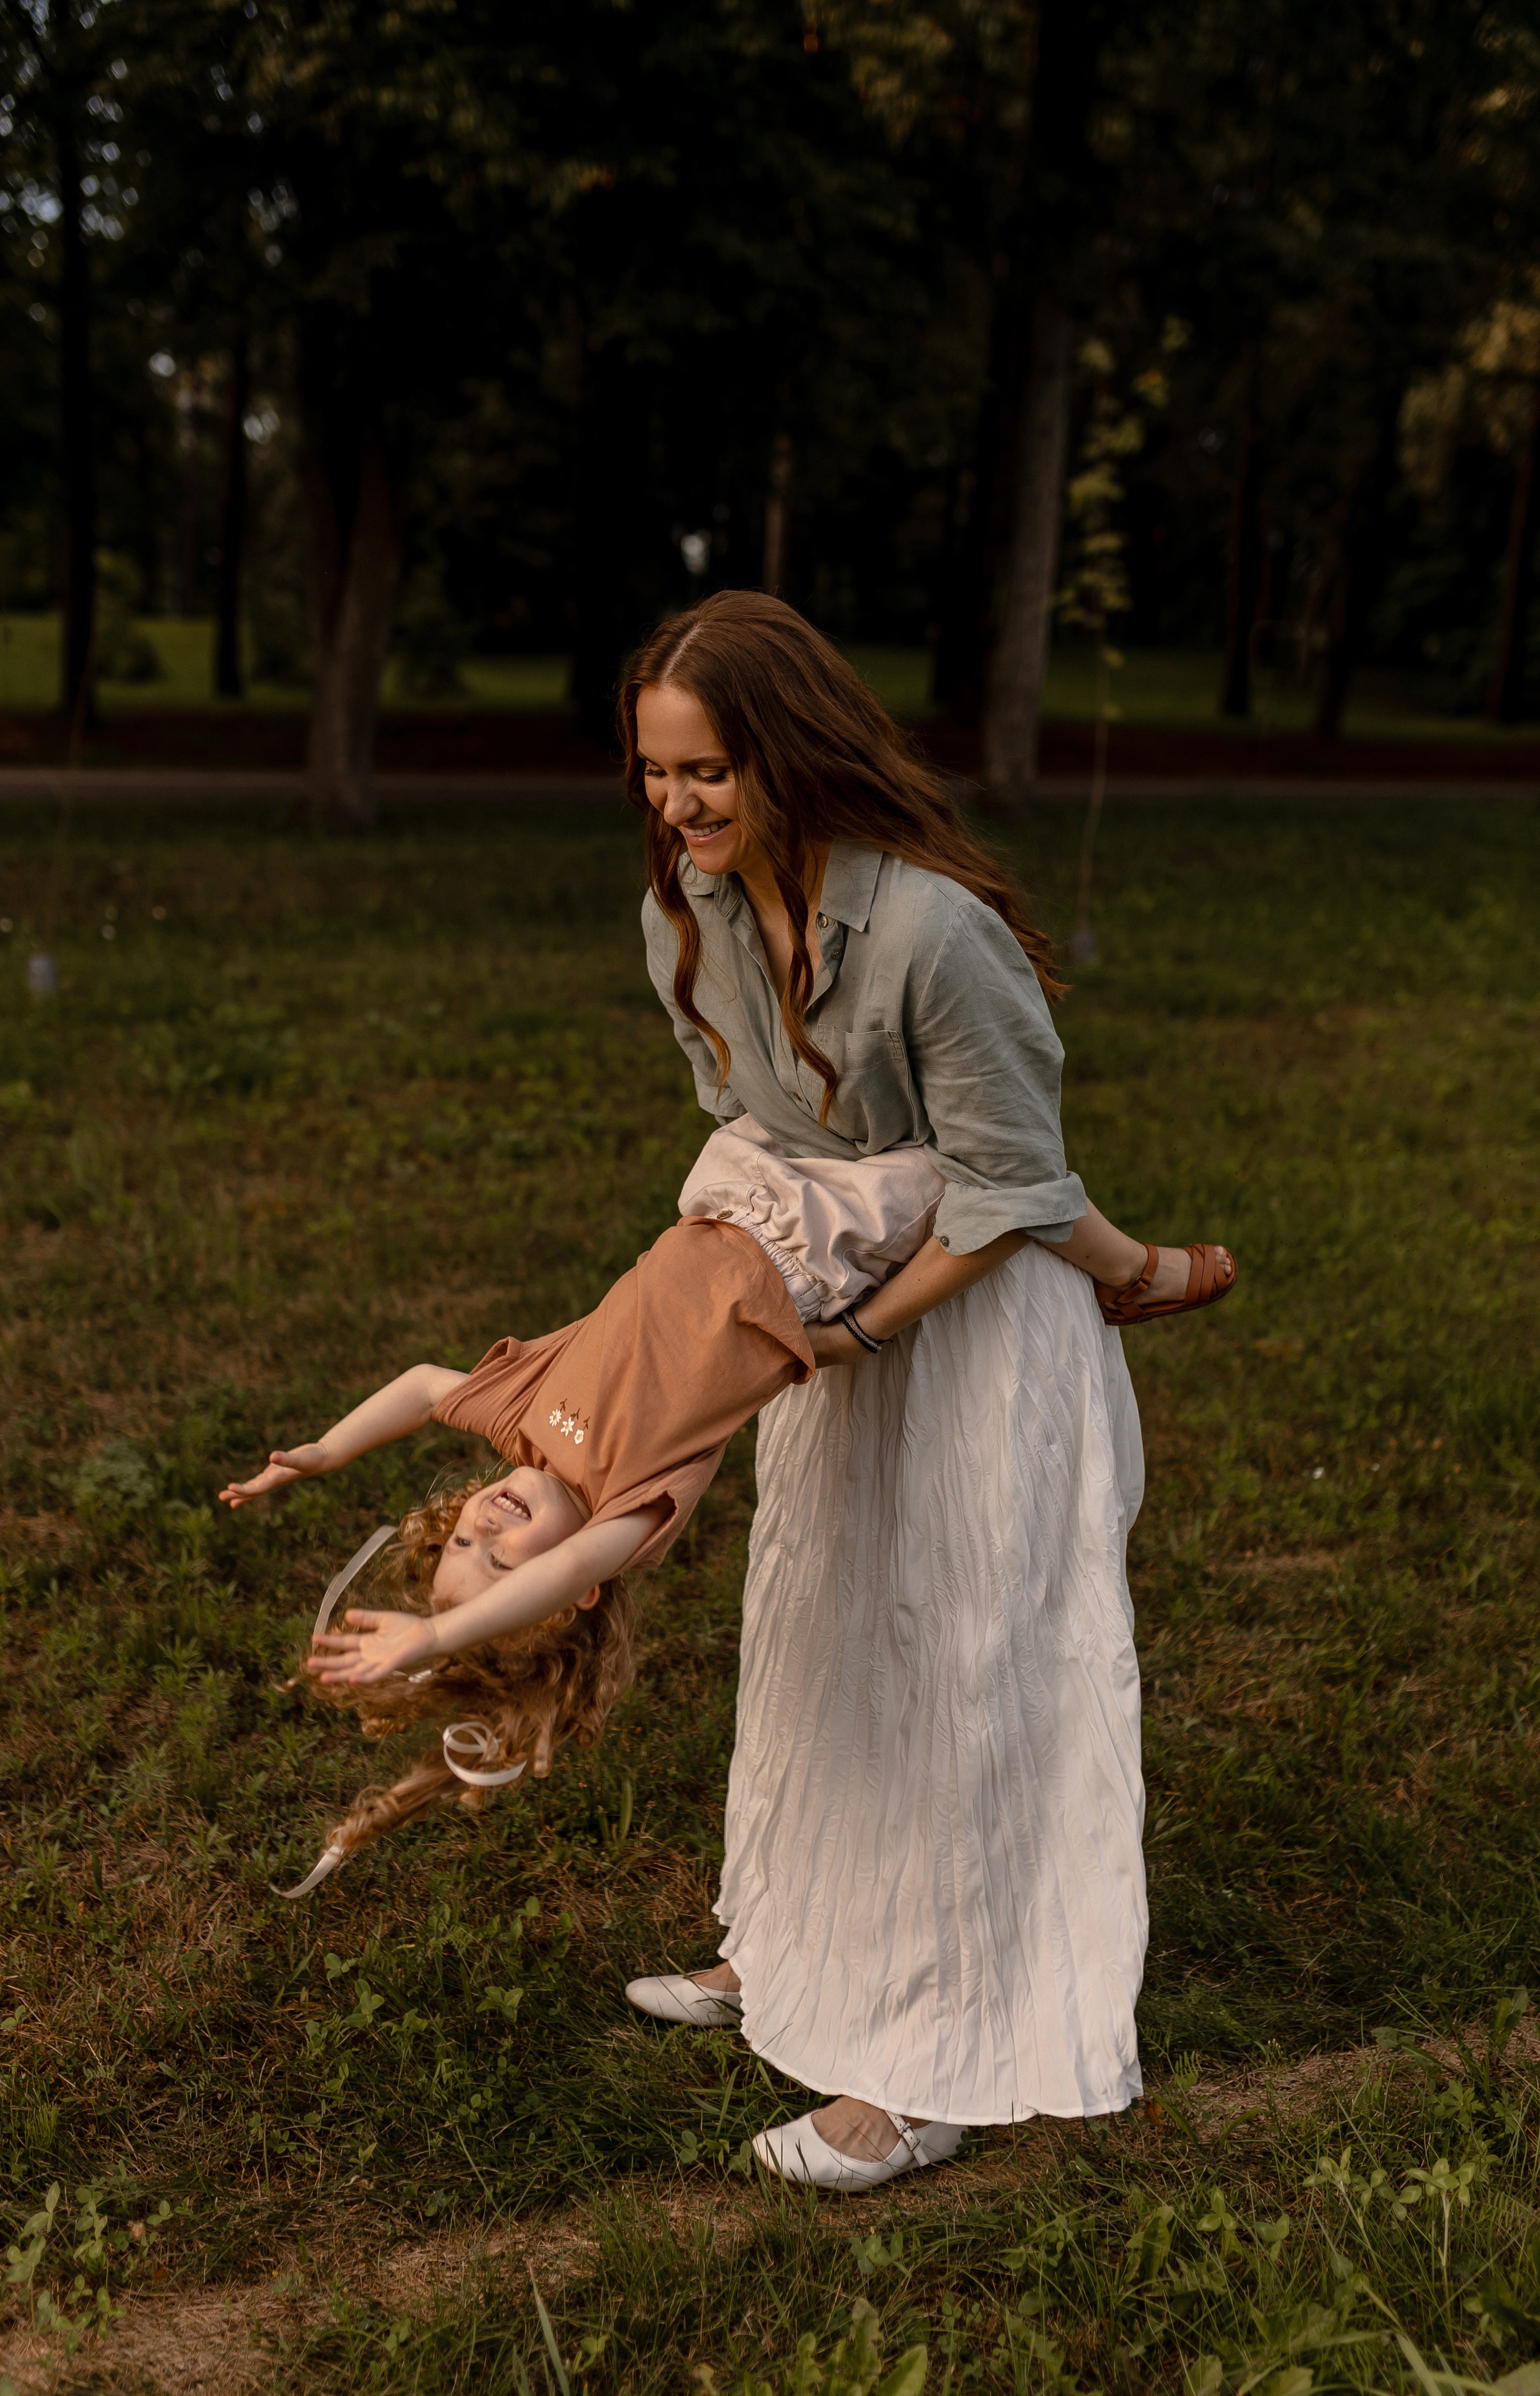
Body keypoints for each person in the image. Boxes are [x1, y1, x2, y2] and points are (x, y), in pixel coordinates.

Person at [623, 589, 1234, 2192]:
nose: (678, 811)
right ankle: (790, 1942)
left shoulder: (930, 934)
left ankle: (927, 2061)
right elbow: (762, 1137)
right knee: (819, 1631)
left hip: (972, 1320)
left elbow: (1004, 1192)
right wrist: (752, 1298)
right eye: (654, 775)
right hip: (842, 1303)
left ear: (789, 755)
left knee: (957, 1670)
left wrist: (858, 1330)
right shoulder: (684, 915)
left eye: (708, 775)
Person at [217, 1107, 1221, 1882]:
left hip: (736, 1189)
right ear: (572, 1600)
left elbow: (430, 1384)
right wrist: (433, 1642)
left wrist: (325, 1449)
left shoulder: (521, 1417)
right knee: (994, 1148)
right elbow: (564, 1560)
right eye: (497, 1571)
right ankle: (1138, 1269)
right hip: (818, 1246)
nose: (484, 1530)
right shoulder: (629, 1511)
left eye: (461, 1544)